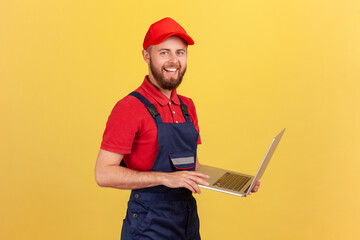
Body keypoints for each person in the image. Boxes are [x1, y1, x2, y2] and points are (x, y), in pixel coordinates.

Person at [95, 17, 260, 240]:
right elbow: (103, 174)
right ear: (146, 55)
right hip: (148, 222)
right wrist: (165, 178)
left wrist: (234, 183)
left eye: (180, 53)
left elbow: (193, 166)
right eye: (164, 52)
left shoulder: (187, 106)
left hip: (187, 218)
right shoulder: (129, 108)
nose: (174, 60)